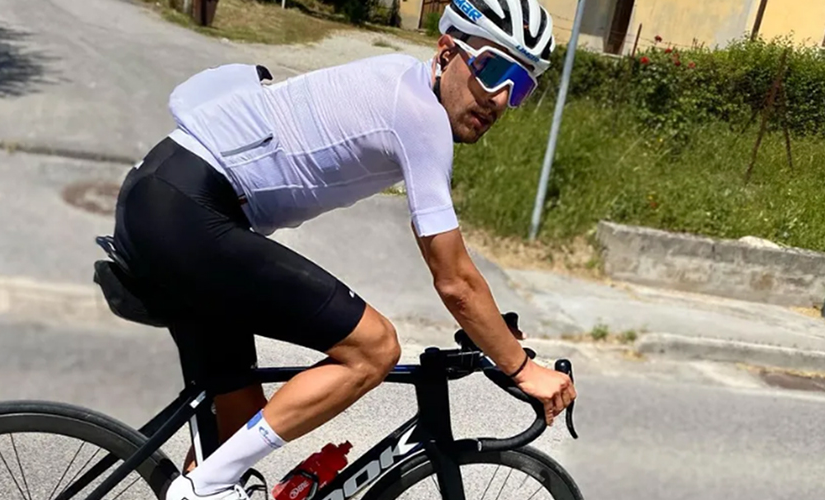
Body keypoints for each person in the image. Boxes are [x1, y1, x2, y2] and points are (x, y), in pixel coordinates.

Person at [109, 0, 576, 499]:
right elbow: (455, 281)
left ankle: (203, 483)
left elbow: (457, 278)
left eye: (520, 85)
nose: (500, 99)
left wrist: (493, 331)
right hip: (187, 210)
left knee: (236, 431)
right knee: (375, 347)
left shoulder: (402, 79)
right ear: (446, 52)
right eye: (493, 70)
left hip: (166, 200)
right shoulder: (420, 116)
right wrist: (522, 369)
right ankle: (202, 487)